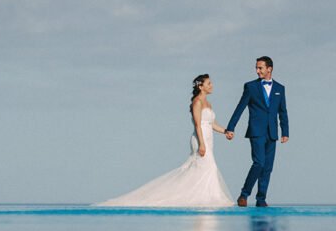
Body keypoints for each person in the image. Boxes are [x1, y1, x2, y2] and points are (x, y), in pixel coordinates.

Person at [97, 74, 235, 207]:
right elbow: (198, 125)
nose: (212, 85)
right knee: (208, 166)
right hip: (200, 139)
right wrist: (202, 144)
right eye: (209, 83)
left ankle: (205, 196)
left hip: (209, 138)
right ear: (201, 86)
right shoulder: (197, 102)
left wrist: (225, 132)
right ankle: (202, 197)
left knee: (206, 168)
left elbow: (212, 123)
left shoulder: (208, 103)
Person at [226, 56, 289, 207]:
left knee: (268, 167)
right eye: (256, 68)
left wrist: (285, 131)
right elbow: (240, 108)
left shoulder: (280, 88)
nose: (257, 71)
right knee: (259, 163)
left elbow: (283, 112)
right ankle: (244, 194)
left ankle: (261, 199)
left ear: (269, 69)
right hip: (256, 131)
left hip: (272, 133)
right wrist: (231, 127)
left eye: (260, 68)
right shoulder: (250, 87)